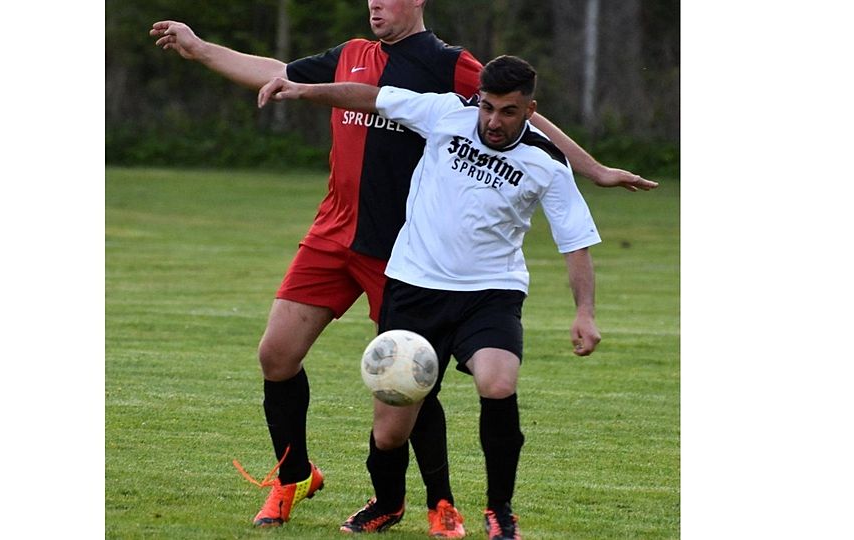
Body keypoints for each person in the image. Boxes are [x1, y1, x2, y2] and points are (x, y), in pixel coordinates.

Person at [151, 1, 653, 536]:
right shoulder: (350, 54)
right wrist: (200, 49)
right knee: (276, 355)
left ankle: (441, 502)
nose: (375, 2)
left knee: (410, 377)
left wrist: (591, 168)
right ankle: (294, 476)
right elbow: (280, 74)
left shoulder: (448, 64)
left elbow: (516, 114)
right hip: (334, 231)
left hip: (398, 246)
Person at [258, 54, 600, 540]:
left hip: (490, 293)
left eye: (507, 111)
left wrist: (585, 312)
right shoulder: (445, 113)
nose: (493, 121)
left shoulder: (546, 161)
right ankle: (388, 503)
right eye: (487, 107)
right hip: (414, 288)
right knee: (391, 430)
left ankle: (500, 512)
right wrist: (304, 90)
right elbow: (370, 96)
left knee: (498, 383)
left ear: (530, 109)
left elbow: (576, 243)